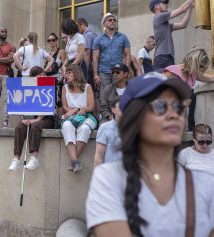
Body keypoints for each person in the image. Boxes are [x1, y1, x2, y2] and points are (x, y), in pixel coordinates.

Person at [86, 72, 214, 236]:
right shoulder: (109, 179)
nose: (174, 114)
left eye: (178, 106)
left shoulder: (206, 184)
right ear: (135, 118)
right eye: (160, 106)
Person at [8, 67, 54, 171]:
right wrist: (23, 118)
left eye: (43, 74)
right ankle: (17, 158)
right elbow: (20, 105)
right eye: (39, 75)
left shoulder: (48, 86)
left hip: (46, 118)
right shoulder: (27, 87)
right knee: (19, 127)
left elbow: (46, 106)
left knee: (35, 126)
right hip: (30, 118)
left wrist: (37, 119)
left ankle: (34, 158)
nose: (42, 77)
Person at [61, 64, 96, 173]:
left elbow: (91, 106)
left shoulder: (87, 87)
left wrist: (77, 109)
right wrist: (72, 111)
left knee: (85, 128)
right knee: (67, 125)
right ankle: (75, 160)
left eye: (69, 73)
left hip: (85, 115)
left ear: (76, 73)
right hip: (70, 115)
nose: (66, 75)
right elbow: (65, 107)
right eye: (66, 73)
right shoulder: (65, 88)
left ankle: (73, 160)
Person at [150, 0, 195, 72]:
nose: (166, 5)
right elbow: (183, 9)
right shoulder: (159, 17)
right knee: (164, 83)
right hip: (162, 58)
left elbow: (183, 24)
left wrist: (190, 8)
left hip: (167, 58)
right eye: (163, 3)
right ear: (156, 6)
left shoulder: (164, 24)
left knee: (169, 84)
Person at [92, 13, 131, 97]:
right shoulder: (98, 38)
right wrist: (95, 74)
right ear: (104, 24)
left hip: (119, 71)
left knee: (118, 96)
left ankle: (117, 110)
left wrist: (126, 71)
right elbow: (95, 57)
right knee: (104, 96)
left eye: (114, 20)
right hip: (104, 72)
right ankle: (105, 111)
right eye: (110, 20)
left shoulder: (123, 37)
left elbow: (128, 54)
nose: (113, 21)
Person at [93, 97, 122, 167]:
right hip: (111, 173)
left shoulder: (135, 128)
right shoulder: (105, 128)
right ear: (113, 110)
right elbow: (98, 157)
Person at [77, 17, 97, 86]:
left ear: (82, 25)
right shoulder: (93, 34)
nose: (77, 31)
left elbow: (87, 55)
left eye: (78, 28)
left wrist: (85, 73)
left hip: (90, 70)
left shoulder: (87, 35)